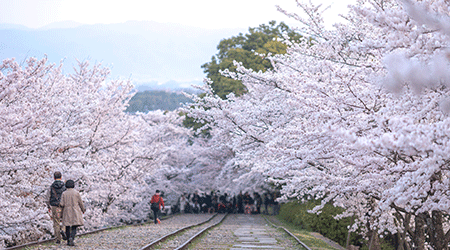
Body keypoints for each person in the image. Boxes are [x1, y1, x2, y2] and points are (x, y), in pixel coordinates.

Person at [60, 180, 86, 246]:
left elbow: (61, 203)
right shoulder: (76, 193)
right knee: (74, 226)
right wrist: (83, 210)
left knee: (67, 226)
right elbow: (80, 202)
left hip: (67, 211)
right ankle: (72, 237)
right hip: (75, 210)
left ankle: (68, 240)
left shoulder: (64, 193)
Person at [46, 171, 66, 244]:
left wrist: (48, 205)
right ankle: (63, 230)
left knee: (56, 222)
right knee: (64, 220)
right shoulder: (64, 186)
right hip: (63, 206)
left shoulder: (51, 187)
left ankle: (58, 238)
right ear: (61, 177)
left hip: (55, 206)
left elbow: (48, 197)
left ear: (54, 178)